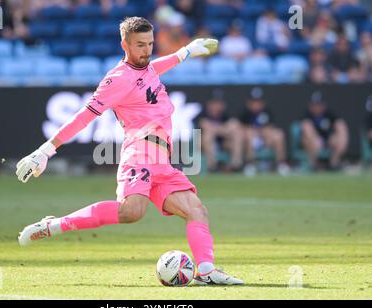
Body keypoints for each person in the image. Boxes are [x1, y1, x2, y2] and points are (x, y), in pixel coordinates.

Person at [16, 17, 243, 286]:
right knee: (132, 212)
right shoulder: (116, 80)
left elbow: (153, 69)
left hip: (162, 160)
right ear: (124, 44)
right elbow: (83, 117)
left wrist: (185, 52)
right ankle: (54, 225)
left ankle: (205, 270)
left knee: (197, 210)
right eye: (139, 45)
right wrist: (45, 151)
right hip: (139, 151)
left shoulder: (146, 67)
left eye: (149, 44)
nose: (146, 50)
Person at [240, 87, 290, 176]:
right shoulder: (245, 114)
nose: (256, 105)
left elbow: (270, 127)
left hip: (266, 140)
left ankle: (281, 163)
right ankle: (250, 164)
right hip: (250, 141)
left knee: (278, 135)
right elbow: (241, 129)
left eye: (258, 102)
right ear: (249, 103)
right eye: (253, 102)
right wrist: (253, 131)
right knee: (249, 135)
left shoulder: (267, 112)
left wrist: (263, 132)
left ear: (263, 103)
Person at [196, 90, 244, 172]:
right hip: (202, 145)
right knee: (207, 136)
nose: (217, 106)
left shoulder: (225, 115)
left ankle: (236, 165)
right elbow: (205, 126)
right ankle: (212, 166)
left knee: (237, 135)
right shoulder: (202, 114)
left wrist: (218, 130)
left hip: (222, 143)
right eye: (214, 103)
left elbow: (234, 125)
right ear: (209, 104)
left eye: (219, 103)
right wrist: (223, 129)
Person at [300, 91, 349, 170]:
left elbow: (340, 125)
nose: (316, 107)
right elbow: (306, 128)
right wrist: (316, 139)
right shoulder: (307, 114)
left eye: (319, 104)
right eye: (314, 105)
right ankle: (314, 165)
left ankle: (334, 164)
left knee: (339, 137)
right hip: (312, 141)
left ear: (323, 105)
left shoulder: (329, 113)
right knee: (308, 138)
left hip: (327, 140)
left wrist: (341, 136)